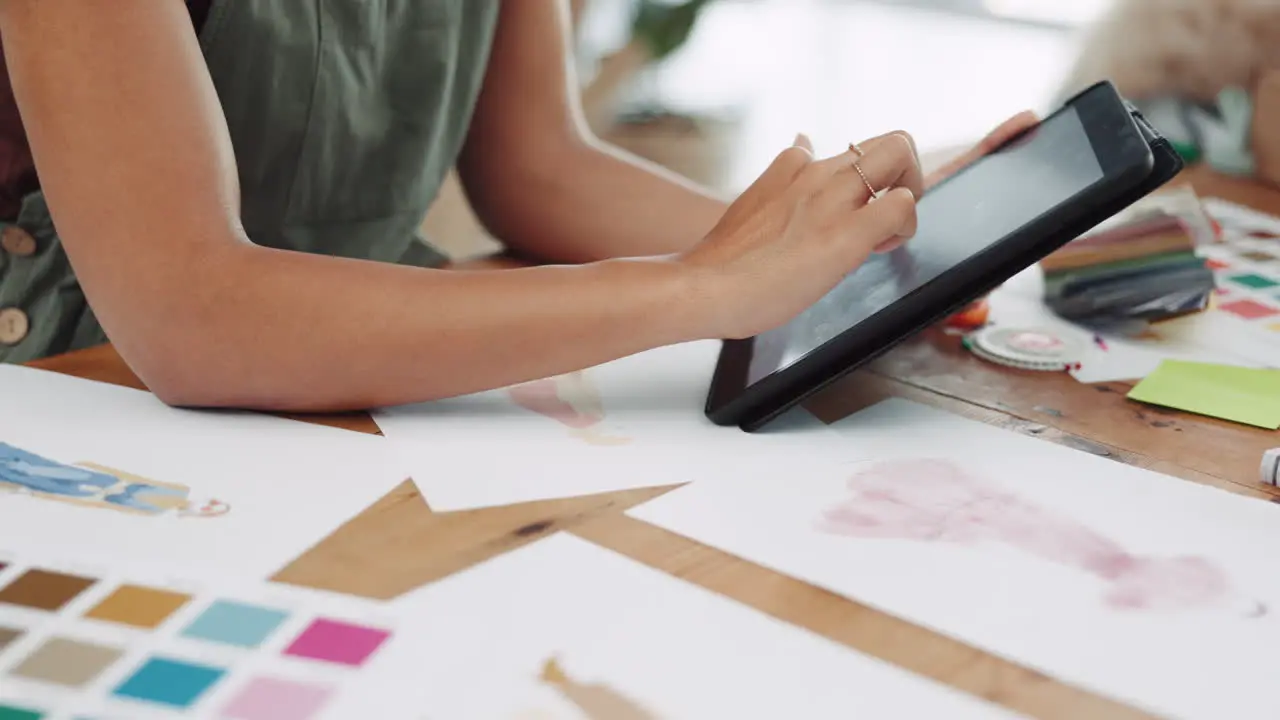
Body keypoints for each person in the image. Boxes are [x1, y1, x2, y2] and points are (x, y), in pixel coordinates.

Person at [0, 0, 1035, 412]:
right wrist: (699, 288)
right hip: (78, 393)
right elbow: (195, 316)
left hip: (362, 389)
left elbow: (539, 166)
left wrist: (824, 239)